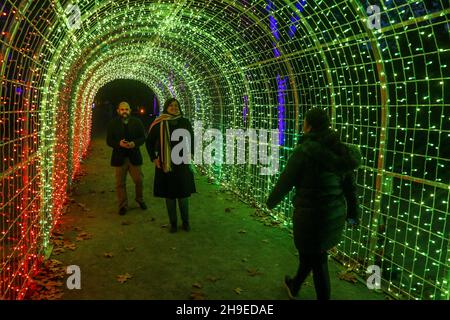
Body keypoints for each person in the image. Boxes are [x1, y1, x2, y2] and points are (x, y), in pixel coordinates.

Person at [266, 107, 362, 300]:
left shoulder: (304, 151)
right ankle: (294, 285)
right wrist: (353, 214)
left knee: (317, 260)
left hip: (310, 217)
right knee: (311, 254)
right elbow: (350, 187)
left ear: (308, 126)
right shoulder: (340, 150)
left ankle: (307, 291)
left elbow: (286, 180)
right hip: (334, 215)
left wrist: (271, 202)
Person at [146, 98, 196, 233]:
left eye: (176, 105)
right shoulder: (159, 123)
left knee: (183, 194)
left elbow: (192, 138)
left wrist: (192, 153)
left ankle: (186, 222)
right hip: (165, 163)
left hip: (182, 163)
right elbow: (149, 142)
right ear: (166, 108)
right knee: (169, 194)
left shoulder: (184, 122)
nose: (174, 107)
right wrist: (153, 158)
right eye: (171, 105)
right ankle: (173, 223)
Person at [107, 101, 147, 215]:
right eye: (122, 109)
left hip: (134, 156)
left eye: (126, 109)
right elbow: (109, 141)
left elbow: (143, 137)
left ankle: (139, 199)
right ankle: (123, 205)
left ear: (130, 110)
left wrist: (135, 143)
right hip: (119, 157)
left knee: (139, 180)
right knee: (120, 183)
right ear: (118, 111)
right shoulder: (113, 123)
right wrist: (118, 143)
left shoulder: (137, 122)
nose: (124, 111)